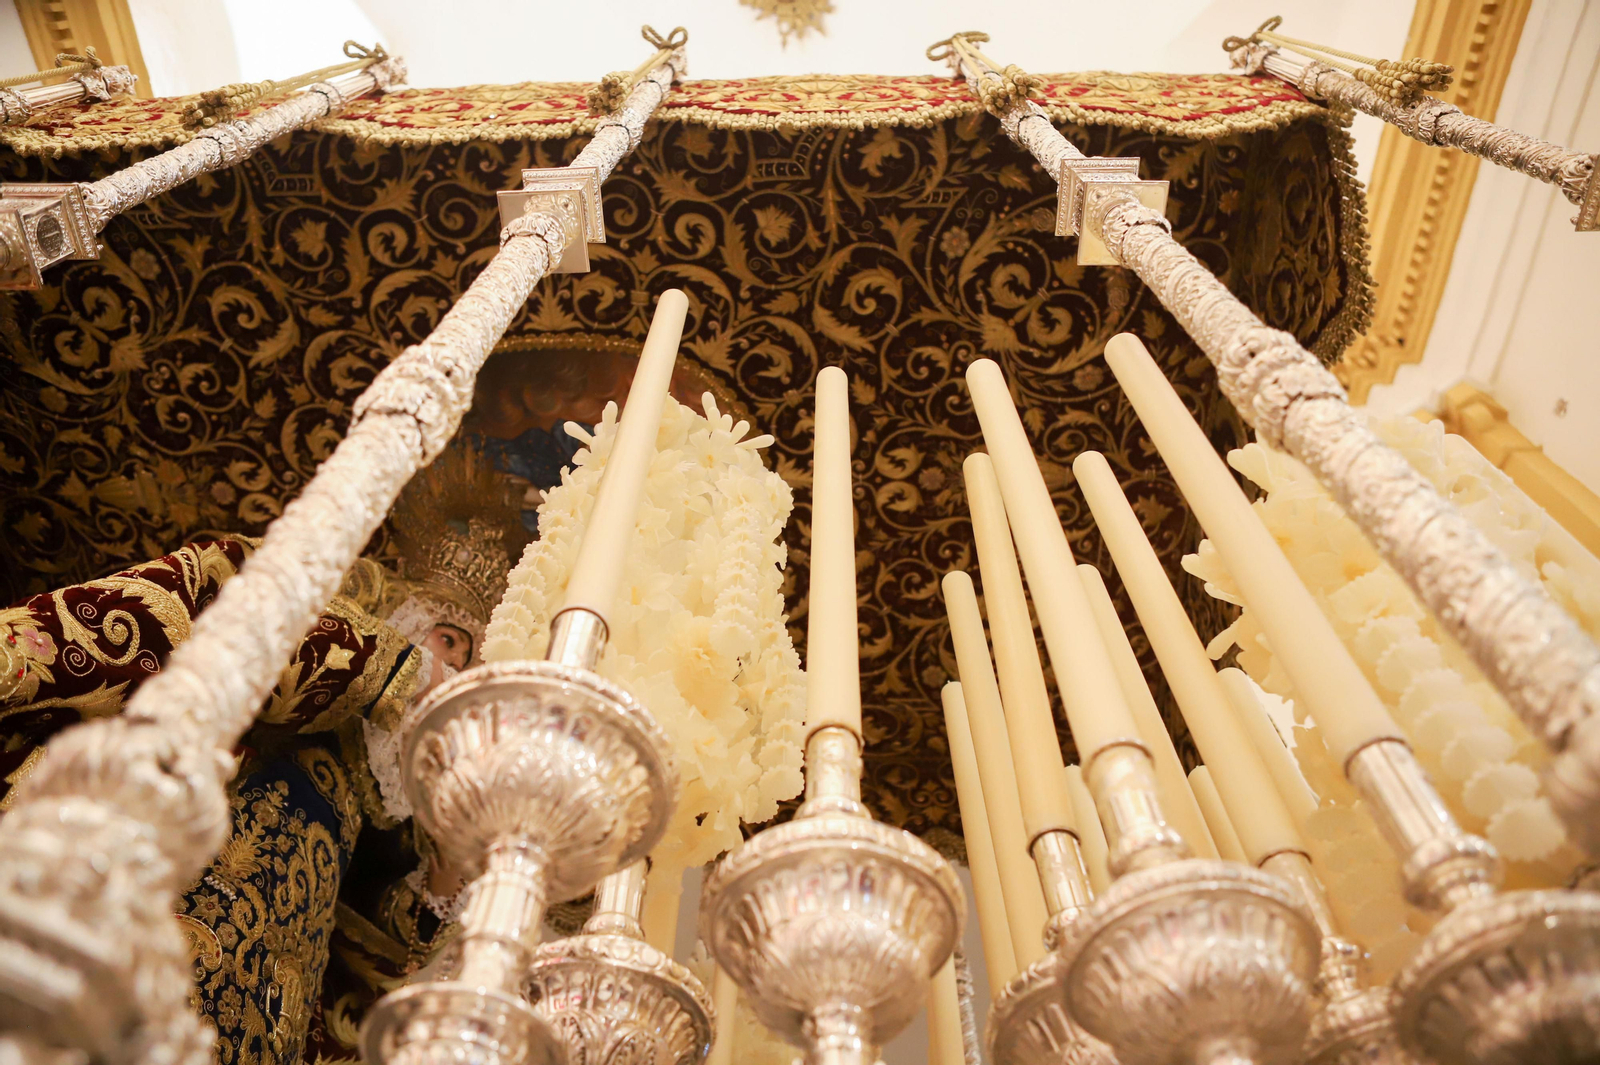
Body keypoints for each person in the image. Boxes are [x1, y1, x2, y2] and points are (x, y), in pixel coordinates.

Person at [0, 438, 528, 1065]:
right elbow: (228, 604)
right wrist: (397, 673)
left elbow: (380, 943)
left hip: (258, 989)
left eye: (467, 665)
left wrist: (447, 866)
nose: (455, 672)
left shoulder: (396, 796)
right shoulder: (340, 614)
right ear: (407, 618)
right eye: (449, 641)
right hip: (166, 869)